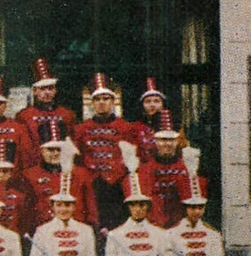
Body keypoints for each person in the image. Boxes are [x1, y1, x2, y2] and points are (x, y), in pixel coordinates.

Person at [73, 73, 137, 230]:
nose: (101, 103)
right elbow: (77, 159)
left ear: (113, 101)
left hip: (116, 187)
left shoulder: (126, 128)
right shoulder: (81, 129)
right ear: (92, 102)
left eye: (105, 98)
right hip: (91, 186)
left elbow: (133, 159)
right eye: (97, 99)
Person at [23, 122, 97, 229]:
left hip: (77, 230)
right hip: (44, 231)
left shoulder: (82, 174)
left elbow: (91, 208)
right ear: (41, 150)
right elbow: (28, 212)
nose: (56, 153)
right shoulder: (29, 175)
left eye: (59, 149)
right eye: (50, 149)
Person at [140, 109, 193, 229]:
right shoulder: (145, 169)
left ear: (177, 141)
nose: (167, 144)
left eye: (171, 140)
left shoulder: (187, 168)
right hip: (153, 227)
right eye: (163, 140)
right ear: (155, 141)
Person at [15, 57, 78, 149]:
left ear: (55, 90)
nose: (47, 92)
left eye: (50, 88)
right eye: (43, 89)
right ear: (34, 91)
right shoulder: (24, 116)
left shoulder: (67, 115)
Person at [132, 77, 169, 162]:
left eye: (156, 101)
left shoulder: (173, 127)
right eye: (148, 101)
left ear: (163, 104)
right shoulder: (134, 128)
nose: (152, 105)